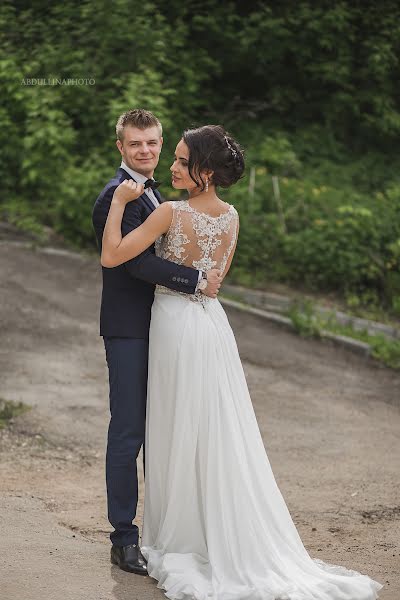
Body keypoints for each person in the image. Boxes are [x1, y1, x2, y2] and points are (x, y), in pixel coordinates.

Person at [101, 125, 382, 600]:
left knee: (175, 429)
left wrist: (116, 205)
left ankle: (175, 536)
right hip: (213, 326)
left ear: (203, 172)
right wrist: (195, 277)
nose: (170, 164)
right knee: (215, 428)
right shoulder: (231, 216)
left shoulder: (169, 211)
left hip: (173, 325)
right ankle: (215, 532)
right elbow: (214, 280)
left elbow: (113, 255)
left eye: (180, 158)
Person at [92, 110, 222, 576]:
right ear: (120, 149)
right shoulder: (116, 196)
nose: (145, 151)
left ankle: (163, 531)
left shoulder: (156, 193)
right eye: (135, 145)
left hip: (164, 327)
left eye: (151, 143)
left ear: (161, 144)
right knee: (128, 433)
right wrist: (196, 278)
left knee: (165, 431)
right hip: (129, 330)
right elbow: (134, 264)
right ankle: (124, 538)